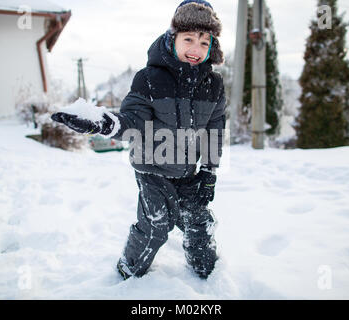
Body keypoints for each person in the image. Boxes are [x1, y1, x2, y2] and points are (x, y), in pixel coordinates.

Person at [52, 0, 226, 280]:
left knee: (198, 222)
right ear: (173, 38)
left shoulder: (214, 85)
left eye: (205, 43)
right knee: (157, 225)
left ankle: (209, 276)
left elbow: (215, 128)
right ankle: (128, 270)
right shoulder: (149, 79)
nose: (196, 49)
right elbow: (131, 121)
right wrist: (102, 122)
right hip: (152, 169)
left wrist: (209, 170)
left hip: (188, 172)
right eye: (189, 39)